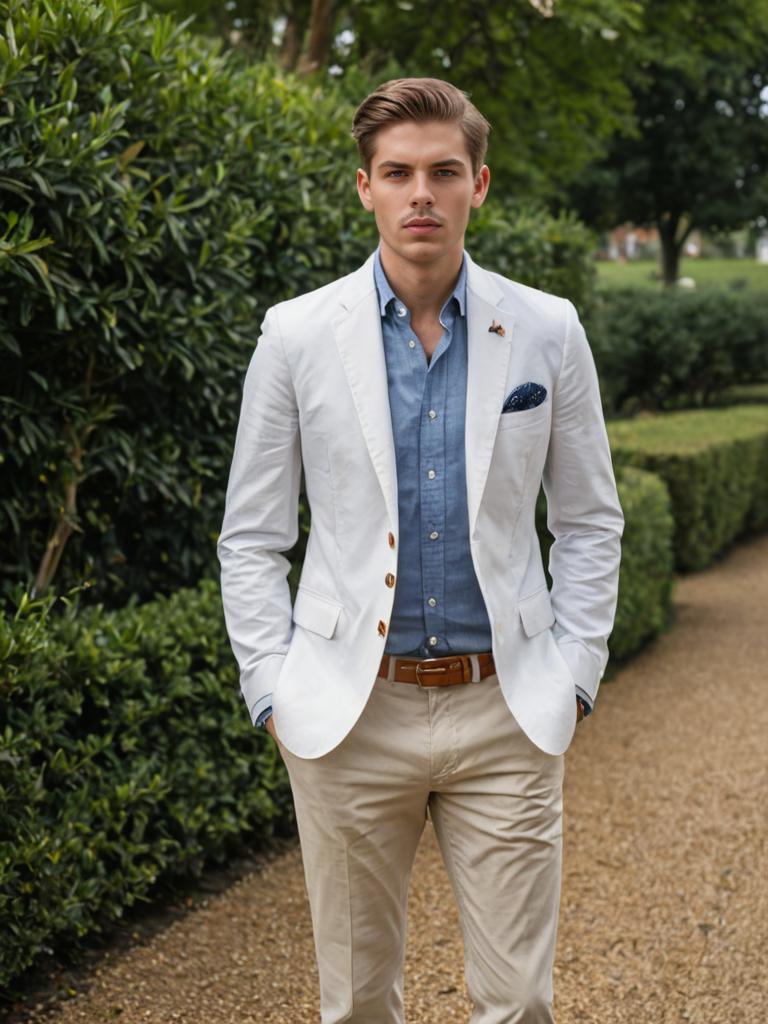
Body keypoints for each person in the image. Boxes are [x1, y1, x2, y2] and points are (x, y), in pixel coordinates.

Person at [217, 77, 623, 1024]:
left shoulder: (548, 330)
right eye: (397, 173)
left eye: (444, 171)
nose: (421, 194)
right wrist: (271, 689)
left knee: (519, 1003)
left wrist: (575, 673)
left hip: (506, 711)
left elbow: (591, 519)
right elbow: (253, 534)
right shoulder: (297, 335)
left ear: (479, 183)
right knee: (356, 1004)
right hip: (348, 718)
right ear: (365, 187)